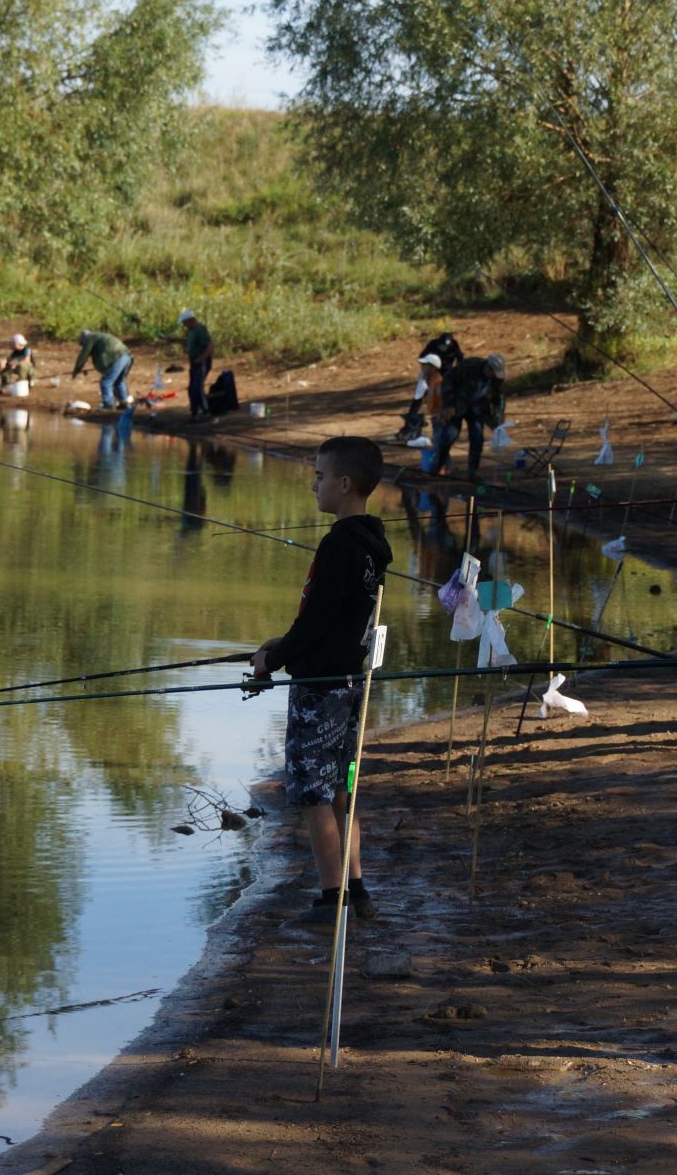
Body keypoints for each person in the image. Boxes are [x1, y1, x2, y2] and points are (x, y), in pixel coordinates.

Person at [251, 437, 395, 926]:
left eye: (319, 475)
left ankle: (331, 899)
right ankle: (356, 890)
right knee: (342, 788)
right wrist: (282, 643)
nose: (314, 484)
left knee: (314, 792)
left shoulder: (339, 544)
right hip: (351, 683)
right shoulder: (372, 543)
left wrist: (273, 660)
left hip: (321, 689)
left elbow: (316, 626)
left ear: (344, 483)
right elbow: (330, 618)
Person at [431, 353, 506, 477]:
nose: (493, 376)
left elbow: (498, 398)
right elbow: (448, 380)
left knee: (477, 437)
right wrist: (448, 404)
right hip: (457, 405)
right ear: (487, 367)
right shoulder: (470, 366)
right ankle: (438, 465)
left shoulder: (496, 380)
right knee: (450, 435)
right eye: (492, 372)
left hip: (477, 408)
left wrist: (498, 416)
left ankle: (473, 471)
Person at [395, 333, 464, 441]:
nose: (445, 348)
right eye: (443, 346)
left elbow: (460, 358)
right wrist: (426, 371)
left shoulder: (454, 345)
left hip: (445, 372)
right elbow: (422, 357)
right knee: (419, 397)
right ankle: (410, 422)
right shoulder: (433, 344)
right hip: (430, 371)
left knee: (441, 397)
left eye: (447, 346)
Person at [72, 329, 133, 410]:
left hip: (117, 357)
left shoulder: (90, 338)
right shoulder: (100, 337)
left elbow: (84, 354)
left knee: (106, 382)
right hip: (127, 357)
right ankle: (124, 403)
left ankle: (109, 404)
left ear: (84, 339)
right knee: (118, 381)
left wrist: (77, 369)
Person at [179, 309, 215, 421]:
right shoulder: (191, 331)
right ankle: (195, 412)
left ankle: (206, 412)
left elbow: (210, 345)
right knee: (191, 388)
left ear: (191, 320)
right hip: (194, 362)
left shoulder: (199, 329)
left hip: (201, 362)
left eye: (185, 322)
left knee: (197, 387)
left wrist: (201, 358)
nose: (184, 325)